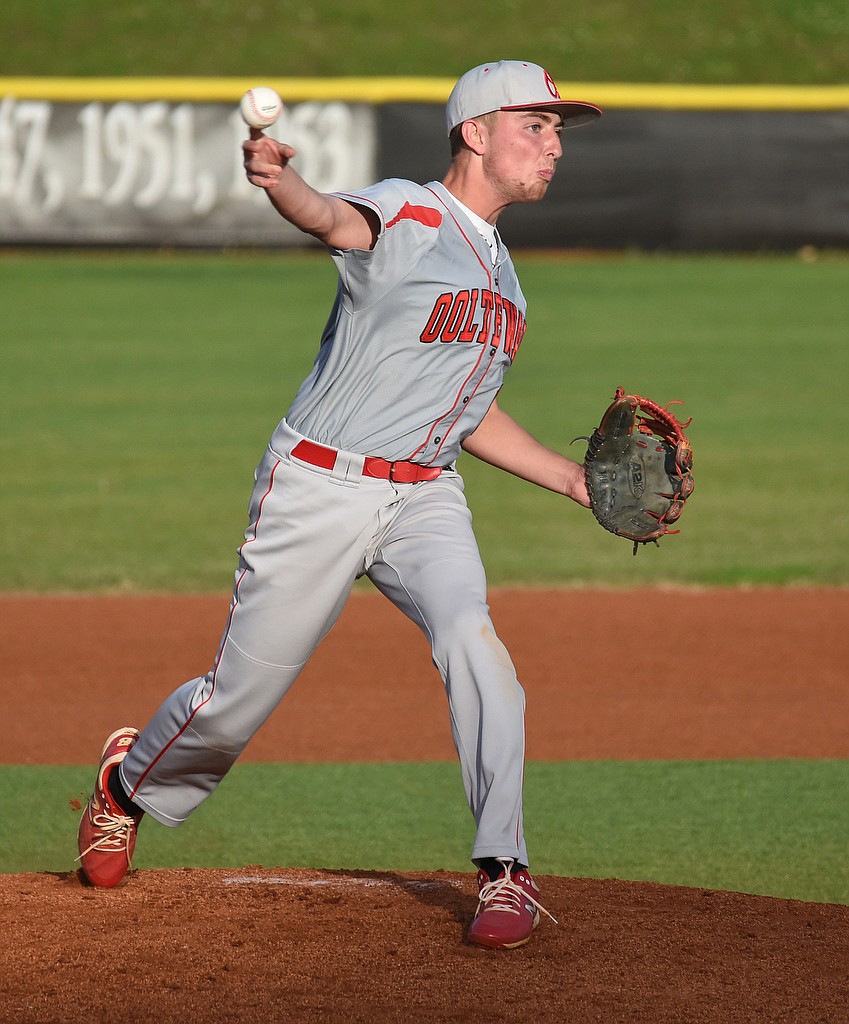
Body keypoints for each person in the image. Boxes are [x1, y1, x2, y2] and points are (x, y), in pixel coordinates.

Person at [77, 59, 602, 950]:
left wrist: (570, 478)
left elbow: (465, 414)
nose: (552, 146)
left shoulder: (503, 275)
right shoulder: (407, 211)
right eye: (535, 126)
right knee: (237, 700)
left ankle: (504, 871)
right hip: (320, 486)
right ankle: (126, 785)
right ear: (475, 132)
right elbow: (331, 218)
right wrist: (285, 181)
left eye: (556, 131)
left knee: (474, 644)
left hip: (426, 494)